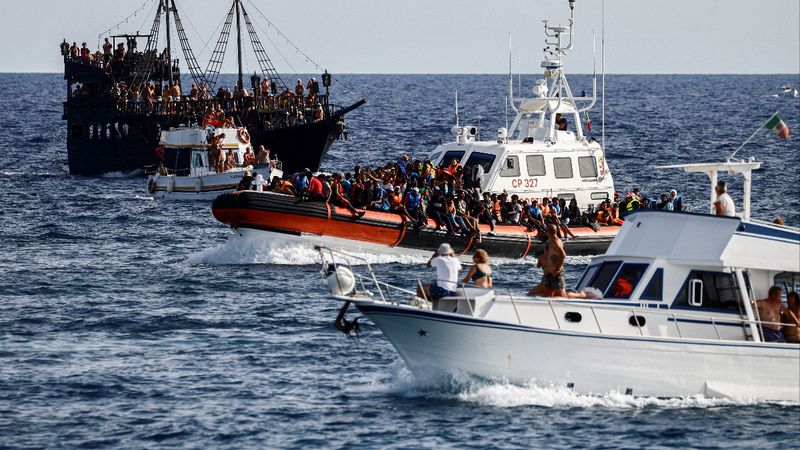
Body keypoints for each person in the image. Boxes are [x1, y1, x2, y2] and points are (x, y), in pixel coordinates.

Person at [528, 224, 567, 297]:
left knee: (562, 296)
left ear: (548, 232)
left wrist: (557, 269)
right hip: (549, 275)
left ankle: (581, 295)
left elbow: (563, 254)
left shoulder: (556, 241)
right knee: (536, 295)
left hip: (555, 274)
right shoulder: (551, 241)